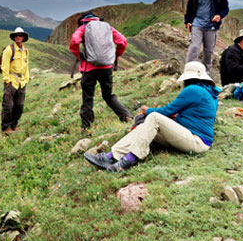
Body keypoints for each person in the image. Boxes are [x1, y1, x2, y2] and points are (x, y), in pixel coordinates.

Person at [84, 61, 219, 172]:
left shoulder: (193, 90)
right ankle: (111, 156)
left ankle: (129, 159)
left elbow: (167, 110)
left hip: (196, 141)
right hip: (192, 137)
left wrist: (147, 111)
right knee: (145, 127)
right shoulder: (207, 92)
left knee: (154, 117)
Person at [69, 13, 132, 131]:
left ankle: (86, 127)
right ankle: (126, 116)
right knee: (108, 95)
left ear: (83, 20)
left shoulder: (83, 27)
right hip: (106, 68)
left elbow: (75, 41)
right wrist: (115, 56)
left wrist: (78, 56)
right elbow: (122, 41)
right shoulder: (108, 27)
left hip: (89, 69)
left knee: (88, 98)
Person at [184, 0, 230, 74]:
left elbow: (225, 8)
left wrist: (219, 15)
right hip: (197, 23)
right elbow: (190, 7)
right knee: (194, 47)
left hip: (211, 26)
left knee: (208, 51)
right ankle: (189, 72)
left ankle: (205, 74)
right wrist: (188, 21)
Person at [1, 27, 30, 134]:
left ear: (23, 37)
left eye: (20, 35)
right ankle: (5, 128)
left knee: (19, 106)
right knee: (8, 106)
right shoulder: (9, 50)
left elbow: (26, 66)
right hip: (11, 81)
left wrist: (26, 79)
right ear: (14, 37)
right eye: (16, 35)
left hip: (22, 82)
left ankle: (14, 125)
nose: (18, 37)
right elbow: (5, 66)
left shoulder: (26, 51)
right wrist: (7, 80)